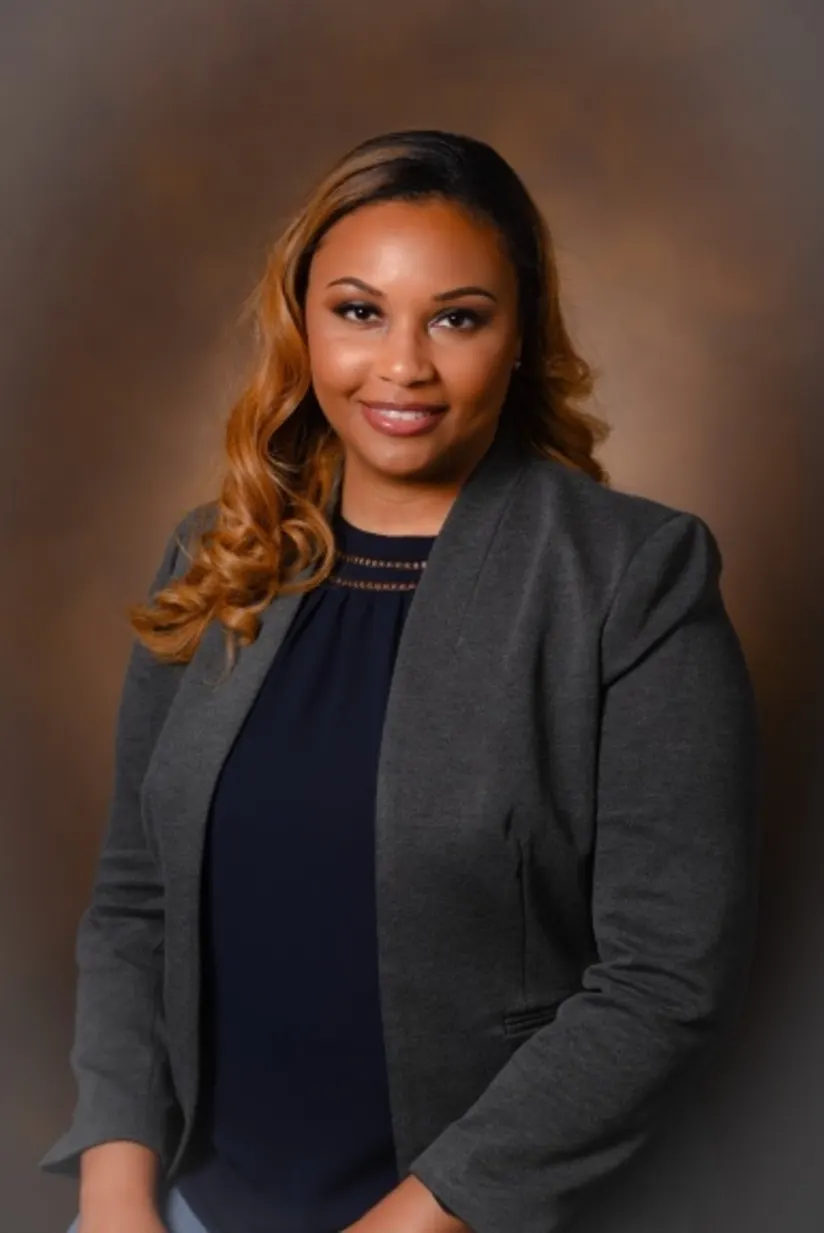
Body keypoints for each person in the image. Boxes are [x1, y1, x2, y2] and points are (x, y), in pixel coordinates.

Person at [42, 129, 761, 1233]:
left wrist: (414, 1222)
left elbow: (664, 979)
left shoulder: (631, 578)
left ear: (520, 337)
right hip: (184, 1209)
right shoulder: (217, 557)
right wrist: (115, 1191)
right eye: (359, 311)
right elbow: (138, 904)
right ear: (304, 324)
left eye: (456, 318)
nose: (403, 366)